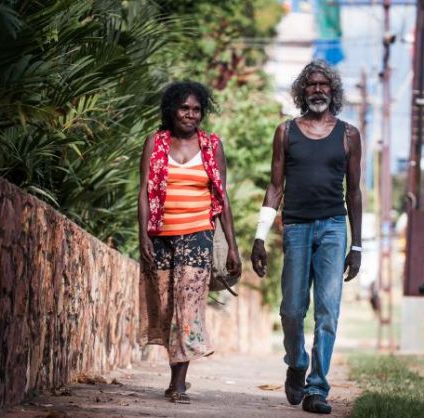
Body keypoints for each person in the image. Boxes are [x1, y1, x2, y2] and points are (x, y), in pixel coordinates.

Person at [250, 60, 362, 414]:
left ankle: (317, 388)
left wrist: (356, 244)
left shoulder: (348, 135)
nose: (317, 90)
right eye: (311, 85)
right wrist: (259, 237)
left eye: (324, 85)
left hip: (332, 227)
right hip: (296, 227)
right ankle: (296, 362)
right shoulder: (286, 132)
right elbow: (274, 186)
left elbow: (355, 193)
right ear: (302, 91)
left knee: (327, 311)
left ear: (333, 92)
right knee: (292, 309)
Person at [137, 81, 241, 404]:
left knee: (188, 307)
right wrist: (143, 235)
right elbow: (143, 191)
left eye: (196, 109)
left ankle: (179, 382)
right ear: (172, 110)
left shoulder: (211, 146)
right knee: (167, 308)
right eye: (184, 108)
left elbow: (221, 196)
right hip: (161, 234)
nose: (191, 115)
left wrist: (233, 247)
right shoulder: (154, 142)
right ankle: (174, 376)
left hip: (198, 235)